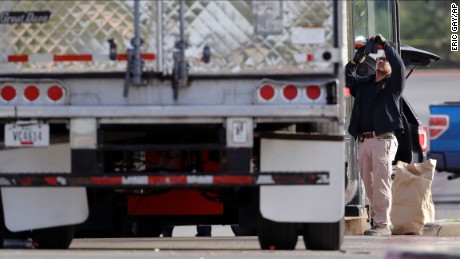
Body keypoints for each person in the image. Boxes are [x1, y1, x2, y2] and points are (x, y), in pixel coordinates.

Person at [345, 34, 405, 236]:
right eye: (379, 58)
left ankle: (382, 224)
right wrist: (357, 58)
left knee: (381, 182)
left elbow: (399, 67)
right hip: (363, 140)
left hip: (383, 140)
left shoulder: (393, 86)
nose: (381, 60)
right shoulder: (365, 84)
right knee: (368, 183)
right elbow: (346, 78)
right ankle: (379, 220)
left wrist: (385, 45)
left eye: (385, 59)